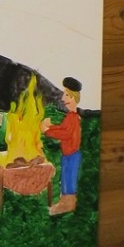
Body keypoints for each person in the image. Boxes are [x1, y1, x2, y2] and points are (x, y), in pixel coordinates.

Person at [41, 77, 82, 214]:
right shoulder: (70, 117)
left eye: (66, 95)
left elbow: (65, 133)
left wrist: (47, 131)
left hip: (72, 154)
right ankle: (64, 202)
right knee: (65, 178)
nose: (63, 98)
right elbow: (62, 129)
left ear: (73, 97)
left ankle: (69, 204)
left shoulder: (73, 118)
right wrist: (51, 127)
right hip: (67, 154)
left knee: (69, 179)